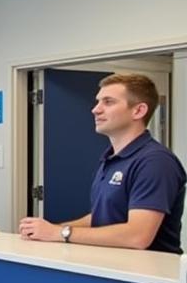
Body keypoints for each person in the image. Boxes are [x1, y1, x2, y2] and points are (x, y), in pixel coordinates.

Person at [19, 73, 185, 253]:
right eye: (98, 101)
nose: (95, 109)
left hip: (148, 277)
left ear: (138, 111)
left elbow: (137, 236)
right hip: (111, 270)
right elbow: (102, 217)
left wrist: (60, 233)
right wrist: (49, 230)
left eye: (108, 102)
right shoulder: (111, 158)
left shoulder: (155, 161)